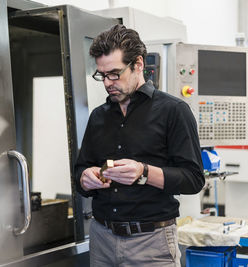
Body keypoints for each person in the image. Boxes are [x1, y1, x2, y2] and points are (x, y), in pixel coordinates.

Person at [74, 24, 205, 267]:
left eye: (115, 73)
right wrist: (86, 178)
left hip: (151, 244)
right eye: (102, 75)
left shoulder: (173, 112)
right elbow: (80, 170)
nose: (107, 83)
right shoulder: (98, 116)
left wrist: (143, 173)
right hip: (101, 239)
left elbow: (194, 179)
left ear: (138, 65)